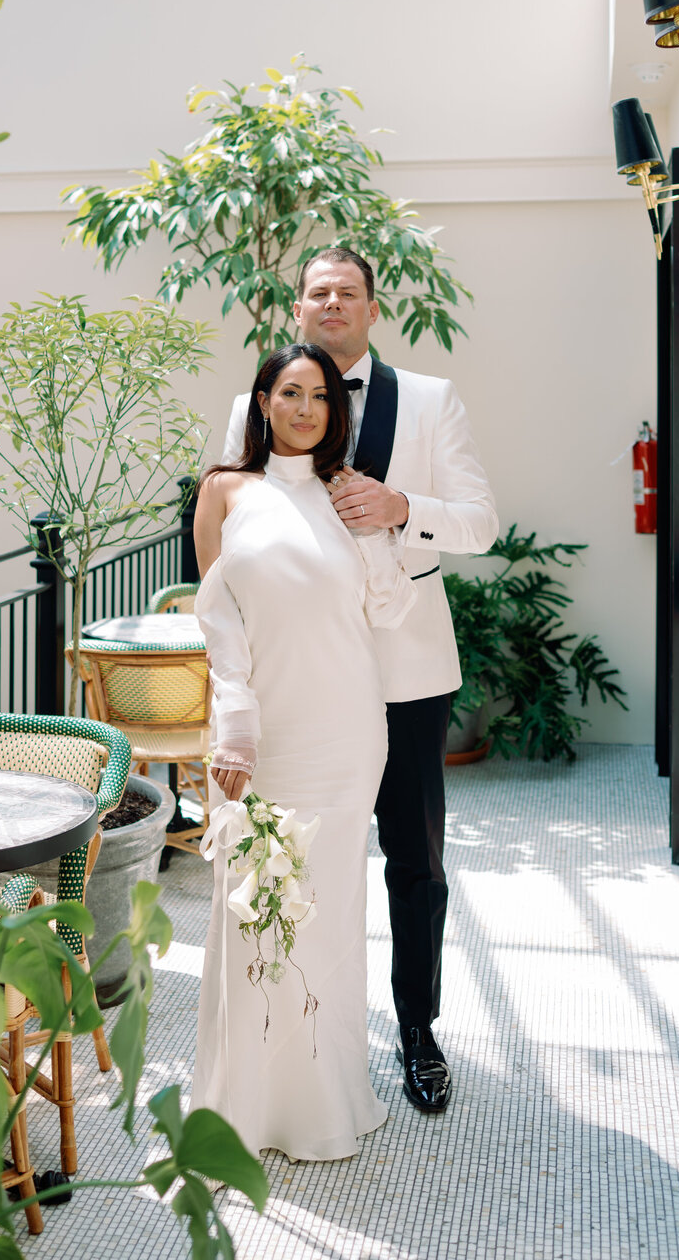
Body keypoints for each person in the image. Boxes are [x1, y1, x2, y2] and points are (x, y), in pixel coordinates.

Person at [221, 247, 498, 1113]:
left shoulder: (429, 399)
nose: (331, 302)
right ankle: (295, 1040)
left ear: (373, 309)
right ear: (297, 308)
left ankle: (418, 1034)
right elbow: (224, 546)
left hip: (406, 669)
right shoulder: (251, 407)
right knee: (292, 859)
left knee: (414, 862)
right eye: (317, 292)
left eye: (348, 292)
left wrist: (402, 509)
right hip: (300, 682)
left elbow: (483, 523)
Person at [189, 344, 417, 1162]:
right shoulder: (224, 491)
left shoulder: (342, 494)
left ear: (336, 411)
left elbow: (386, 610)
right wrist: (236, 726)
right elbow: (220, 626)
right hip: (268, 737)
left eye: (321, 395)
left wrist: (383, 523)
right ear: (261, 401)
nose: (306, 407)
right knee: (253, 904)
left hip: (347, 732)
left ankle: (325, 1096)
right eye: (290, 391)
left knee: (330, 914)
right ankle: (247, 1104)